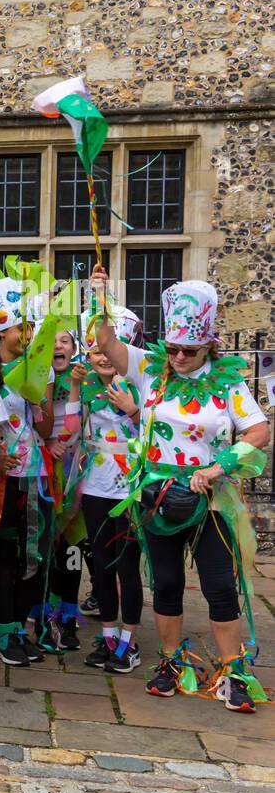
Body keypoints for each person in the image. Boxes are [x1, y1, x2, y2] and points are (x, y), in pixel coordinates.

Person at [94, 272, 270, 712]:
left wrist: (218, 466)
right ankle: (171, 662)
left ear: (209, 345)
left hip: (210, 499)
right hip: (157, 495)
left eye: (188, 351)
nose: (178, 357)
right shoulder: (152, 370)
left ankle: (234, 671)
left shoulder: (227, 383)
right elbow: (109, 343)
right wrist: (101, 296)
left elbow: (258, 429)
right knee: (167, 583)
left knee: (218, 586)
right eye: (171, 348)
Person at [0, 277, 56, 666]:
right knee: (7, 555)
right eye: (20, 326)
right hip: (0, 479)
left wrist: (41, 396)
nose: (27, 333)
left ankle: (24, 630)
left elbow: (44, 429)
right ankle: (5, 632)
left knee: (35, 555)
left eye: (30, 325)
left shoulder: (36, 369)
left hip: (33, 473)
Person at [75, 298, 144, 673]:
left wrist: (134, 410)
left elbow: (161, 433)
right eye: (97, 350)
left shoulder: (142, 384)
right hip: (97, 487)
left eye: (109, 350)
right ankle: (107, 635)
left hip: (130, 489)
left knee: (127, 566)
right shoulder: (85, 386)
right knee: (100, 564)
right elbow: (74, 431)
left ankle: (129, 640)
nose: (103, 357)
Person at [43, 323, 88, 652]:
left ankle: (69, 616)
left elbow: (78, 424)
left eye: (66, 341)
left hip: (75, 472)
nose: (59, 346)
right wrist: (48, 445)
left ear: (74, 348)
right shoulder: (35, 379)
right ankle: (45, 613)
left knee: (72, 549)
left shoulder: (83, 380)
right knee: (45, 548)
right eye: (53, 341)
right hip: (44, 469)